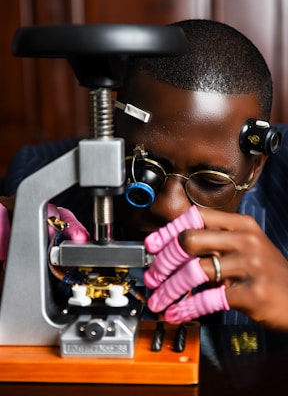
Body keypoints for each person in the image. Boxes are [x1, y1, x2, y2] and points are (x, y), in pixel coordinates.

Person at [1, 19, 288, 331]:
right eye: (145, 167)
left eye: (210, 181)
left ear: (255, 167)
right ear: (110, 134)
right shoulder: (38, 174)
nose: (169, 207)